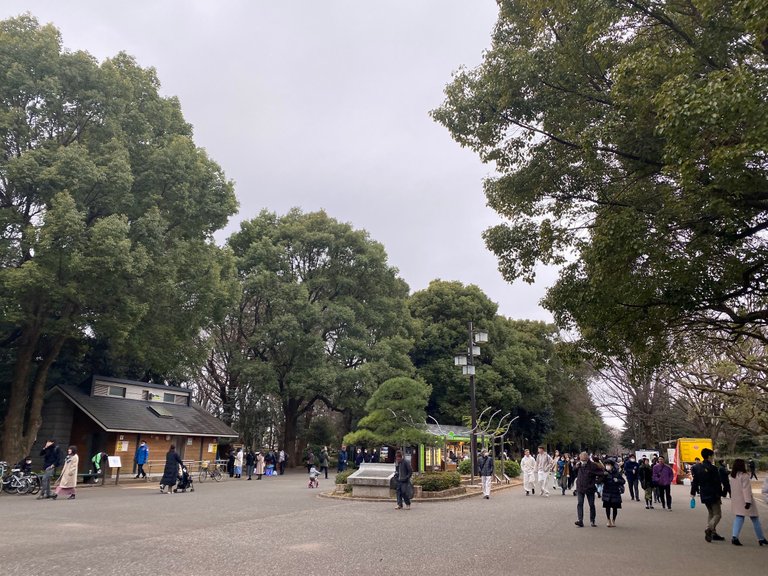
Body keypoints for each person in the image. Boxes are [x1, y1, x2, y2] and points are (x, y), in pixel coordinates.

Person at [729, 458, 767, 546]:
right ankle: (761, 538)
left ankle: (735, 537)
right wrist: (748, 502)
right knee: (755, 519)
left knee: (739, 518)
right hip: (746, 500)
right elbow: (746, 489)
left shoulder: (732, 476)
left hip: (737, 500)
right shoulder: (744, 476)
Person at [690, 448, 726, 542]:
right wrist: (721, 493)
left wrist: (693, 492)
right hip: (713, 493)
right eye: (712, 456)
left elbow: (695, 481)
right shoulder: (713, 468)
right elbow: (717, 482)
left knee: (711, 513)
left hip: (703, 493)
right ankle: (709, 529)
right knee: (717, 514)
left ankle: (713, 533)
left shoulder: (697, 467)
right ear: (710, 456)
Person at [574, 451, 604, 527]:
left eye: (584, 460)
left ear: (587, 459)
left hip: (590, 488)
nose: (583, 462)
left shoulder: (593, 466)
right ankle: (580, 520)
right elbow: (574, 471)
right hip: (580, 487)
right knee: (580, 503)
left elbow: (602, 473)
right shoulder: (579, 464)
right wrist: (576, 466)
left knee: (591, 505)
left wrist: (597, 482)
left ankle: (592, 520)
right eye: (581, 460)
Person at [602, 459, 625, 527]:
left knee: (615, 508)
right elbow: (600, 481)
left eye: (609, 465)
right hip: (607, 492)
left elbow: (623, 481)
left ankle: (613, 520)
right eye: (606, 465)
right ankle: (608, 520)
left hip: (615, 492)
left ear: (612, 466)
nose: (607, 466)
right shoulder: (604, 472)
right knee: (607, 507)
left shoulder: (616, 473)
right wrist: (603, 476)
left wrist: (617, 480)